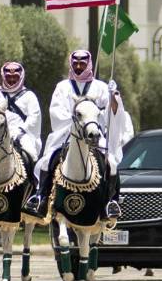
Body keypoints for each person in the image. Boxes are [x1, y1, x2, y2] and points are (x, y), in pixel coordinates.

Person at [24, 49, 129, 219]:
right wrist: (76, 121)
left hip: (94, 133)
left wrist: (114, 97)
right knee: (47, 161)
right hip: (68, 132)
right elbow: (56, 112)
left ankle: (112, 202)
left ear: (89, 64)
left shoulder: (101, 87)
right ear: (71, 64)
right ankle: (40, 197)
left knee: (112, 163)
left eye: (82, 63)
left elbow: (113, 113)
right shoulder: (62, 87)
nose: (79, 66)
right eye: (76, 63)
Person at [0, 61, 42, 172]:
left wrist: (21, 131)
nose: (12, 80)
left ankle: (33, 185)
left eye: (15, 77)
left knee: (31, 153)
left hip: (21, 134)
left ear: (21, 77)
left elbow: (34, 117)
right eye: (9, 77)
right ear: (4, 77)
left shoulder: (29, 96)